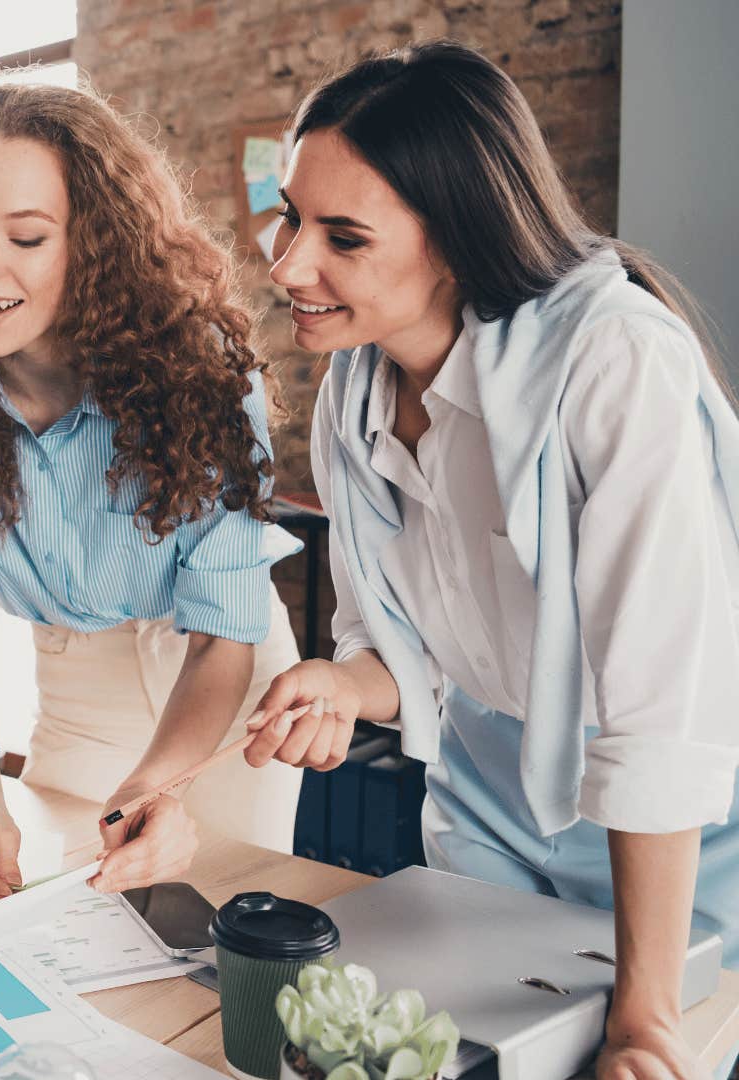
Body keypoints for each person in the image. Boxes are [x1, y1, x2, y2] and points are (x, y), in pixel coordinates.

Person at [246, 41, 739, 1080]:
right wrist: (344, 681)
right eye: (291, 215)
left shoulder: (613, 365)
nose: (288, 264)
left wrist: (647, 1020)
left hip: (678, 827)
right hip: (488, 800)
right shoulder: (354, 391)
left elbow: (662, 721)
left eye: (343, 236)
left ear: (457, 242)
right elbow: (407, 645)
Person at [0, 81, 304, 911]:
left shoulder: (201, 374)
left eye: (25, 236)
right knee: (74, 916)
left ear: (95, 244)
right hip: (76, 676)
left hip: (223, 669)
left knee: (229, 918)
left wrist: (154, 787)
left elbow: (220, 640)